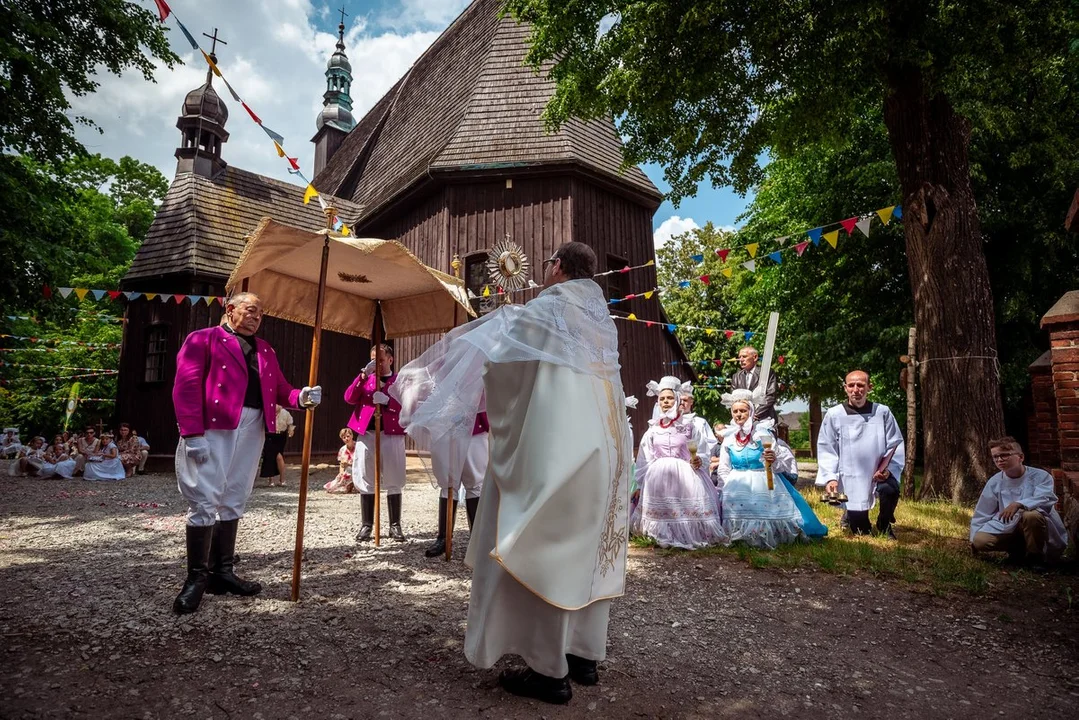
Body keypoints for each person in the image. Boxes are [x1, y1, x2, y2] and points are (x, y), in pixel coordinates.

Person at [392, 241, 632, 705]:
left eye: (548, 265)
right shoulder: (604, 320)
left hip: (559, 449)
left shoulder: (547, 309)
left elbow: (505, 371)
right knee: (583, 550)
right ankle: (583, 655)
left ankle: (549, 671)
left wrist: (500, 334)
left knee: (543, 544)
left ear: (558, 267)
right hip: (606, 452)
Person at [171, 291, 321, 615]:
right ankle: (196, 579)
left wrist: (303, 396)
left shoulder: (266, 349)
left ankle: (222, 573)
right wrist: (192, 433)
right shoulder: (203, 339)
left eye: (260, 314)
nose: (256, 317)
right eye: (251, 311)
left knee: (235, 495)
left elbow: (282, 390)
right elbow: (185, 386)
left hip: (254, 426)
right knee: (205, 497)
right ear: (230, 309)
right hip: (214, 427)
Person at [715, 391, 826, 547]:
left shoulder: (762, 433)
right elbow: (724, 467)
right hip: (737, 482)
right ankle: (738, 537)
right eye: (735, 411)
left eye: (743, 410)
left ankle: (766, 536)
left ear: (751, 412)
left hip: (762, 479)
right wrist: (725, 487)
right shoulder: (729, 437)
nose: (739, 414)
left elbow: (781, 462)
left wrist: (772, 459)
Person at [631, 377, 727, 549]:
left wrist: (699, 460)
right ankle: (658, 534)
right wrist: (639, 483)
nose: (665, 402)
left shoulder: (689, 426)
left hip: (685, 474)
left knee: (685, 510)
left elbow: (702, 449)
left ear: (676, 399)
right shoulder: (653, 429)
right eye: (662, 399)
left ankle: (686, 534)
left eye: (669, 398)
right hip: (657, 476)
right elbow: (644, 457)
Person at [815, 370, 905, 538]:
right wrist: (831, 477)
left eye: (861, 385)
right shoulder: (834, 414)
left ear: (869, 387)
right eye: (851, 385)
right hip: (850, 476)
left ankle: (884, 524)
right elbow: (827, 447)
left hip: (878, 473)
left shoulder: (882, 412)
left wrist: (888, 470)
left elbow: (895, 443)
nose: (856, 389)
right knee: (862, 531)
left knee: (890, 490)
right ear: (845, 388)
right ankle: (852, 516)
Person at [970, 437, 1068, 566]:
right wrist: (973, 539)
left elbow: (1045, 499)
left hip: (1036, 525)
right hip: (1008, 525)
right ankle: (1018, 550)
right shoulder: (995, 482)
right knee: (980, 541)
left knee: (1031, 515)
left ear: (1020, 457)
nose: (999, 460)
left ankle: (1036, 558)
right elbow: (983, 511)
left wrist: (1018, 504)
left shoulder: (1040, 476)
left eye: (1004, 455)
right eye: (995, 457)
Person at [345, 344, 407, 542]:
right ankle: (367, 525)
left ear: (390, 360)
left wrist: (389, 402)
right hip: (368, 433)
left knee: (394, 476)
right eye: (373, 359)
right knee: (366, 476)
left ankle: (395, 525)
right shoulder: (366, 379)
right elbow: (349, 398)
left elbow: (409, 405)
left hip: (392, 433)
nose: (376, 364)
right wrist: (362, 376)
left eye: (380, 359)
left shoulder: (399, 381)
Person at [424, 412, 489, 558]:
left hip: (474, 429)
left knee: (475, 481)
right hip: (443, 428)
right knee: (448, 484)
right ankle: (443, 538)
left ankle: (476, 539)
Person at [730, 346, 779, 422]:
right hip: (742, 420)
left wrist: (755, 414)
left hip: (764, 418)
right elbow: (733, 399)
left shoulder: (767, 373)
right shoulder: (736, 377)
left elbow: (771, 396)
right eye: (740, 357)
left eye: (744, 356)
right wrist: (744, 415)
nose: (741, 359)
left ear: (755, 357)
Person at [679, 385, 718, 462]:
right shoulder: (670, 422)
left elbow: (711, 443)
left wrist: (699, 457)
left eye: (685, 400)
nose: (682, 403)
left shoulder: (700, 422)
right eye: (679, 400)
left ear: (691, 402)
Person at [259, 404, 295, 487]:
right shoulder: (268, 412)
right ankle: (271, 480)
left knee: (279, 456)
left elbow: (290, 423)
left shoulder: (285, 413)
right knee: (269, 456)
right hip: (269, 436)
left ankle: (282, 479)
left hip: (280, 437)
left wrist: (291, 430)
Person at [324, 428, 357, 493]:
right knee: (335, 486)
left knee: (349, 471)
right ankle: (348, 485)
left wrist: (349, 464)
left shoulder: (358, 447)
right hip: (348, 471)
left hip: (358, 470)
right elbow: (341, 465)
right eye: (344, 437)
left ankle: (352, 485)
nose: (346, 439)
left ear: (352, 436)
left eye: (348, 436)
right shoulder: (342, 450)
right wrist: (341, 472)